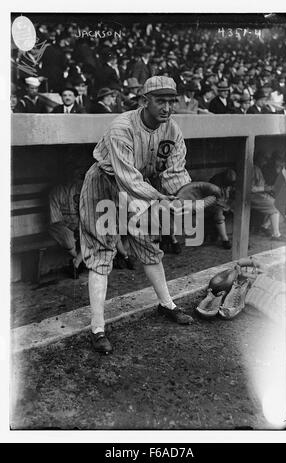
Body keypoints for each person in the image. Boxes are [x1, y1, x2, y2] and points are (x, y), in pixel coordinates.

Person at [79, 76, 195, 354]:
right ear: (145, 101)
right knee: (100, 253)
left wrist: (186, 195)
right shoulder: (121, 126)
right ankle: (97, 328)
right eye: (160, 101)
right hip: (104, 185)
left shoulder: (172, 130)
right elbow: (127, 178)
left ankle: (167, 304)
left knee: (149, 244)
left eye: (171, 101)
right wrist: (162, 198)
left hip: (140, 187)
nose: (167, 107)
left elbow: (174, 172)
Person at [49, 176, 84, 279]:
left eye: (77, 169)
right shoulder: (56, 191)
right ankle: (80, 260)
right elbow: (55, 219)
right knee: (68, 240)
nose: (74, 173)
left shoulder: (83, 187)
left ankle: (76, 263)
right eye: (70, 169)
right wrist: (71, 226)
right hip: (59, 226)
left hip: (78, 224)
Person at [250, 153, 285, 241]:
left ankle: (265, 226)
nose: (265, 162)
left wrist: (270, 189)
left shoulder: (259, 168)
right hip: (252, 196)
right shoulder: (254, 168)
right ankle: (276, 234)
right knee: (275, 206)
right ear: (258, 160)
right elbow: (252, 189)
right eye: (263, 160)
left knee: (279, 203)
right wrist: (268, 188)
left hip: (259, 194)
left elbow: (262, 185)